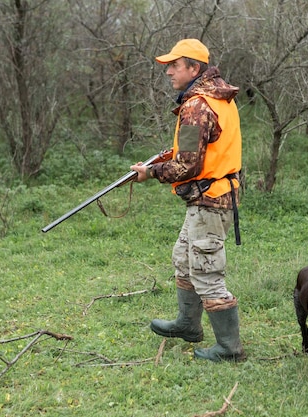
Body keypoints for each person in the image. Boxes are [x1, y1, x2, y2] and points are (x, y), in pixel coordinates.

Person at [130, 38, 245, 362]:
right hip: (209, 197)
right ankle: (188, 324)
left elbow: (188, 165)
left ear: (194, 68)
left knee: (207, 272)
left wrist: (151, 172)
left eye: (174, 65)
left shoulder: (197, 105)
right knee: (184, 258)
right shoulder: (218, 97)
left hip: (209, 200)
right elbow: (203, 150)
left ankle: (229, 348)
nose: (168, 72)